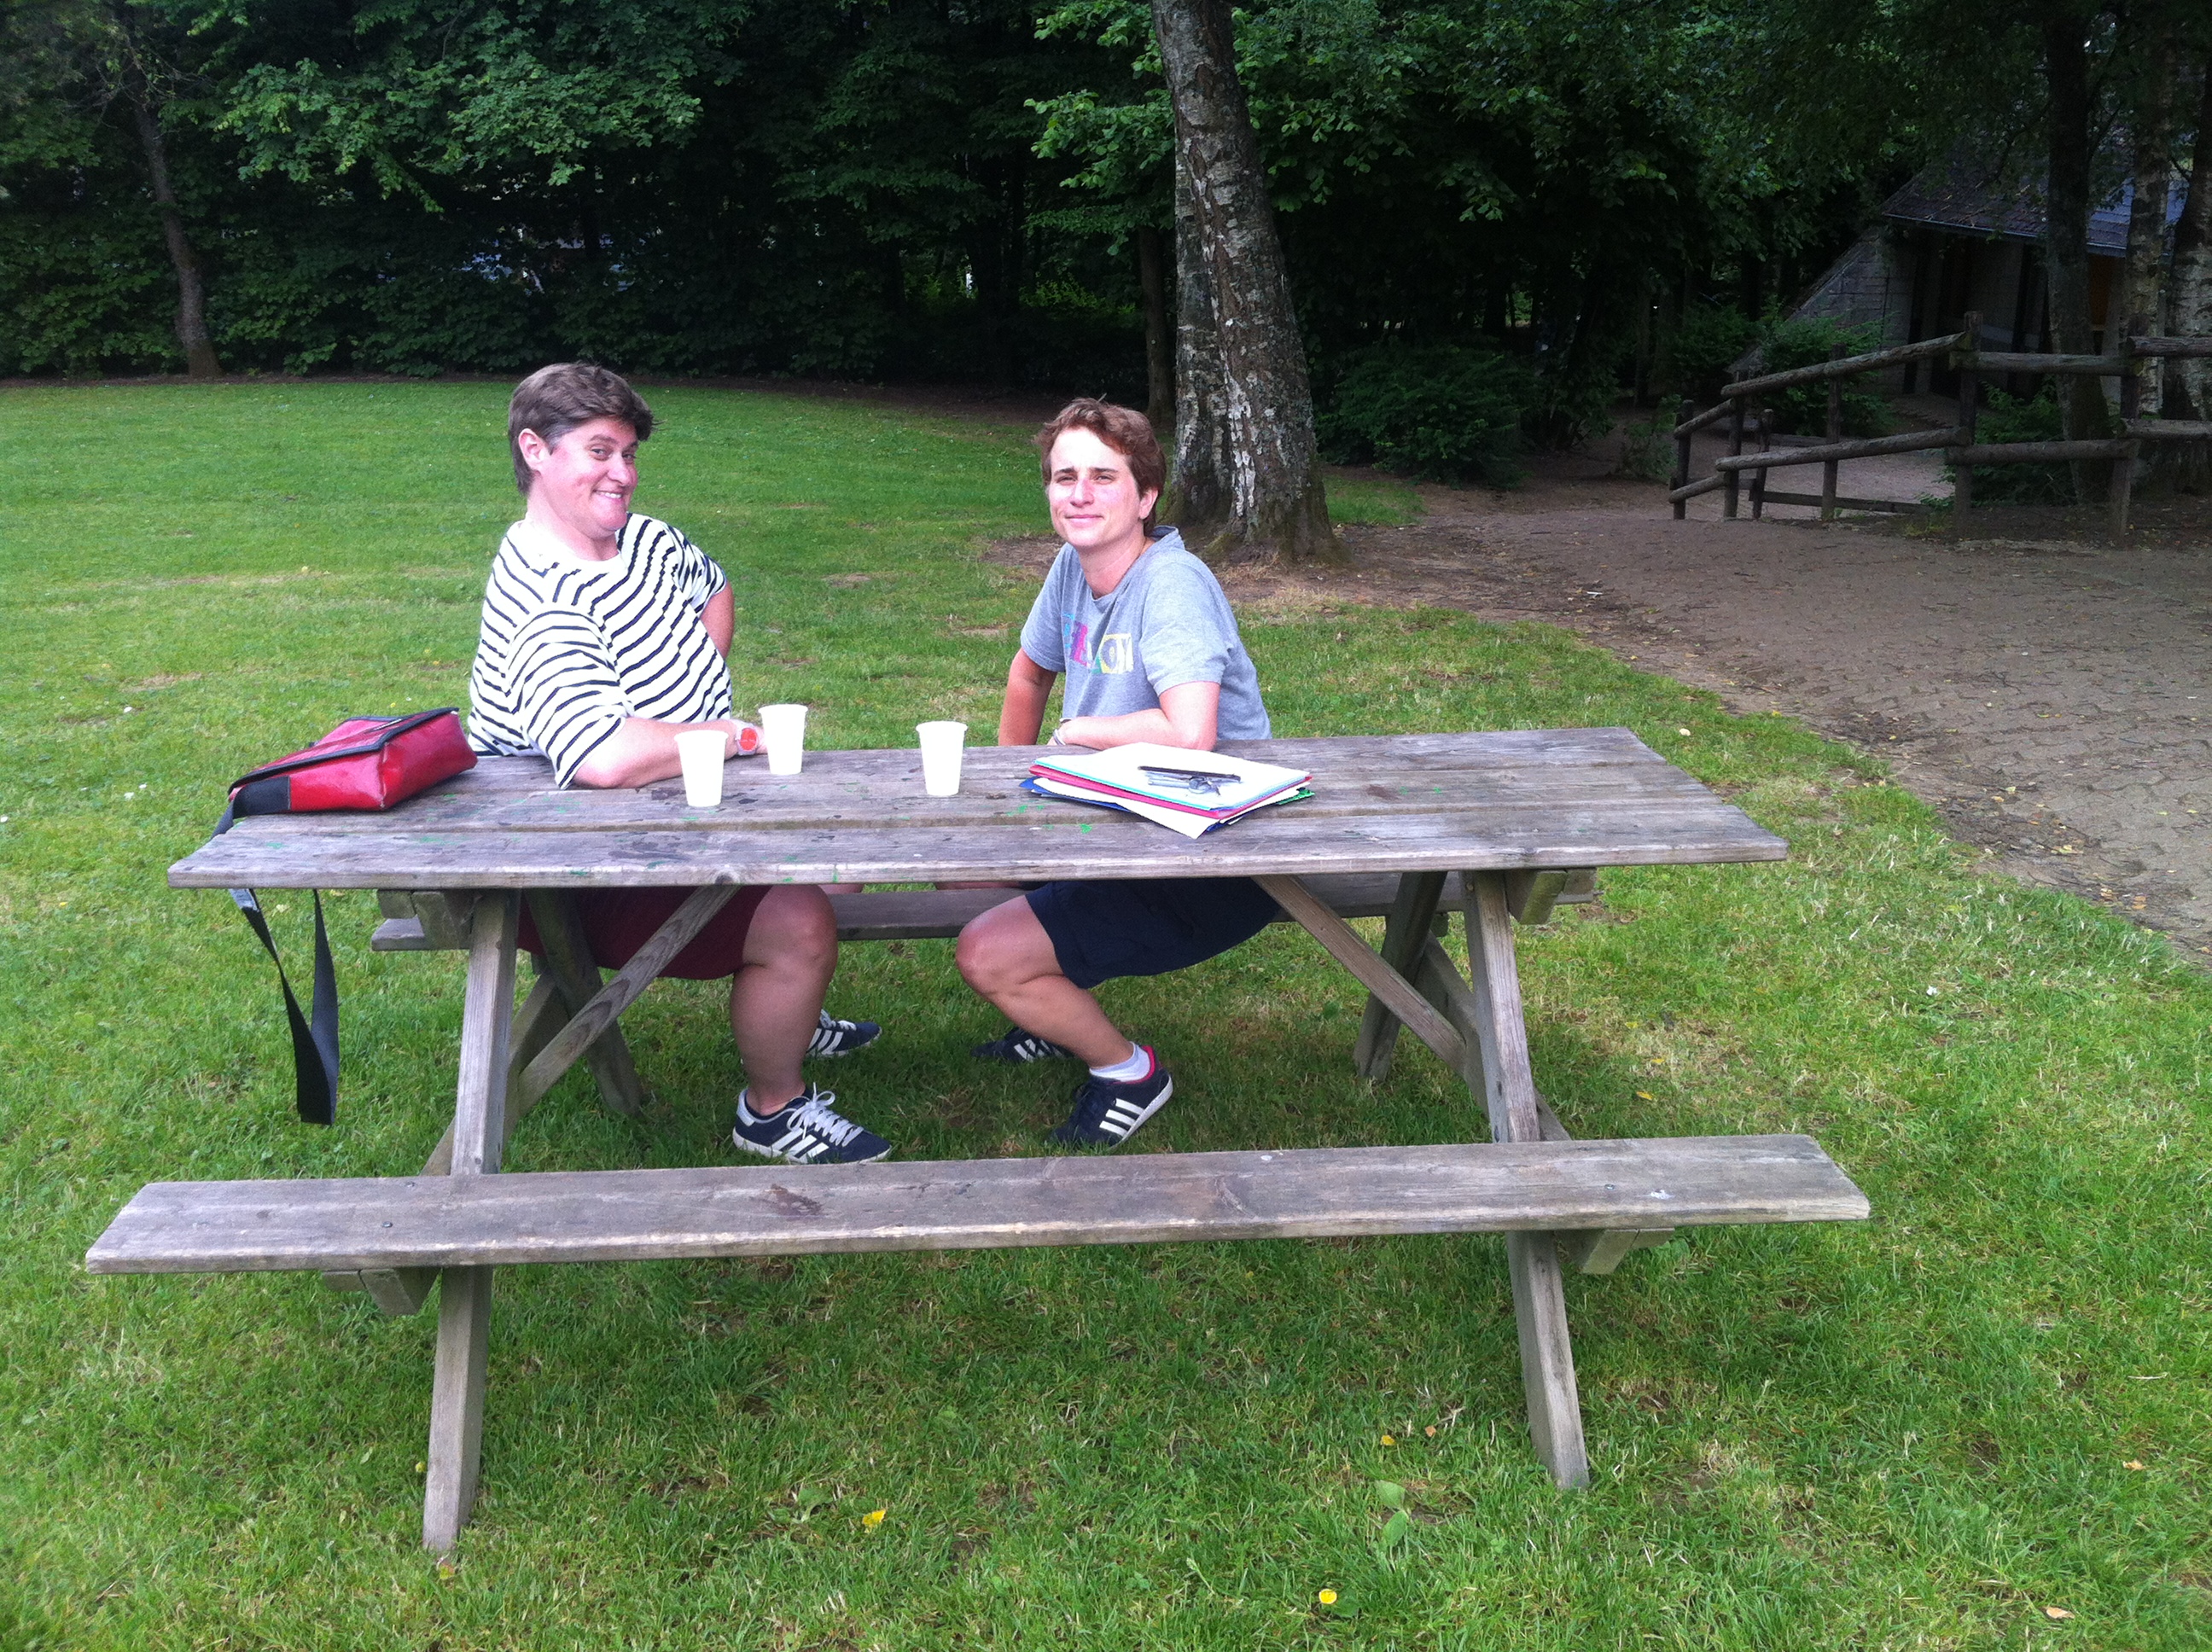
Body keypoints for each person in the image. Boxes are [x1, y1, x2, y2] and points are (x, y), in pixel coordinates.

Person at [467, 362, 891, 1166]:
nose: (622, 475)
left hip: (674, 818)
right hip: (571, 865)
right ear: (534, 450)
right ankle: (771, 1111)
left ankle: (789, 1012)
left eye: (629, 454)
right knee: (800, 919)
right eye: (599, 451)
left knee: (839, 860)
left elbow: (713, 586)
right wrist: (721, 733)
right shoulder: (542, 593)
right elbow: (603, 757)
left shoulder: (647, 541)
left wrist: (695, 685)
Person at [954, 398, 1279, 1149]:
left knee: (985, 952)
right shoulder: (1073, 567)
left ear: (1146, 496)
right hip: (1109, 826)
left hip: (1210, 857)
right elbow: (1028, 671)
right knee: (960, 872)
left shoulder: (1172, 584)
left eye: (1104, 477)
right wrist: (1008, 785)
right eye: (1064, 477)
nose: (1080, 494)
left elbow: (1190, 734)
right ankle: (1052, 1011)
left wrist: (1077, 733)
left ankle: (1130, 1072)